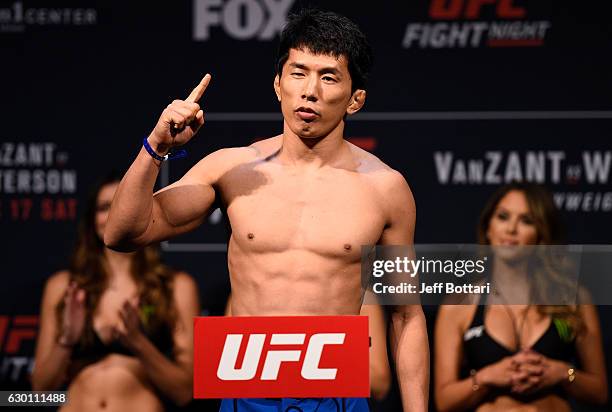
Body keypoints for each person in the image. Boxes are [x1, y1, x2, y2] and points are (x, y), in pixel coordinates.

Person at [104, 8, 428, 412]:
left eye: (328, 77)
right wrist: (155, 148)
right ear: (278, 85)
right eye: (298, 72)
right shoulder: (232, 169)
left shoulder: (385, 188)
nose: (309, 90)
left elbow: (405, 316)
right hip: (247, 392)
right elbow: (122, 233)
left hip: (335, 396)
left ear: (355, 99)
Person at [32, 172, 200, 412]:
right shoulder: (63, 287)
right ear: (91, 219)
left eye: (123, 204)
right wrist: (66, 341)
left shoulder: (176, 287)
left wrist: (138, 343)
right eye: (103, 207)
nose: (113, 214)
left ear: (144, 211)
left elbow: (185, 393)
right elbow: (39, 391)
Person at [434, 182, 608, 411]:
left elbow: (600, 393)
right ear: (488, 227)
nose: (511, 229)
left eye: (526, 221)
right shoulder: (459, 305)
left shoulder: (573, 300)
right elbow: (444, 401)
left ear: (541, 234)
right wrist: (486, 377)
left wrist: (562, 373)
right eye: (503, 217)